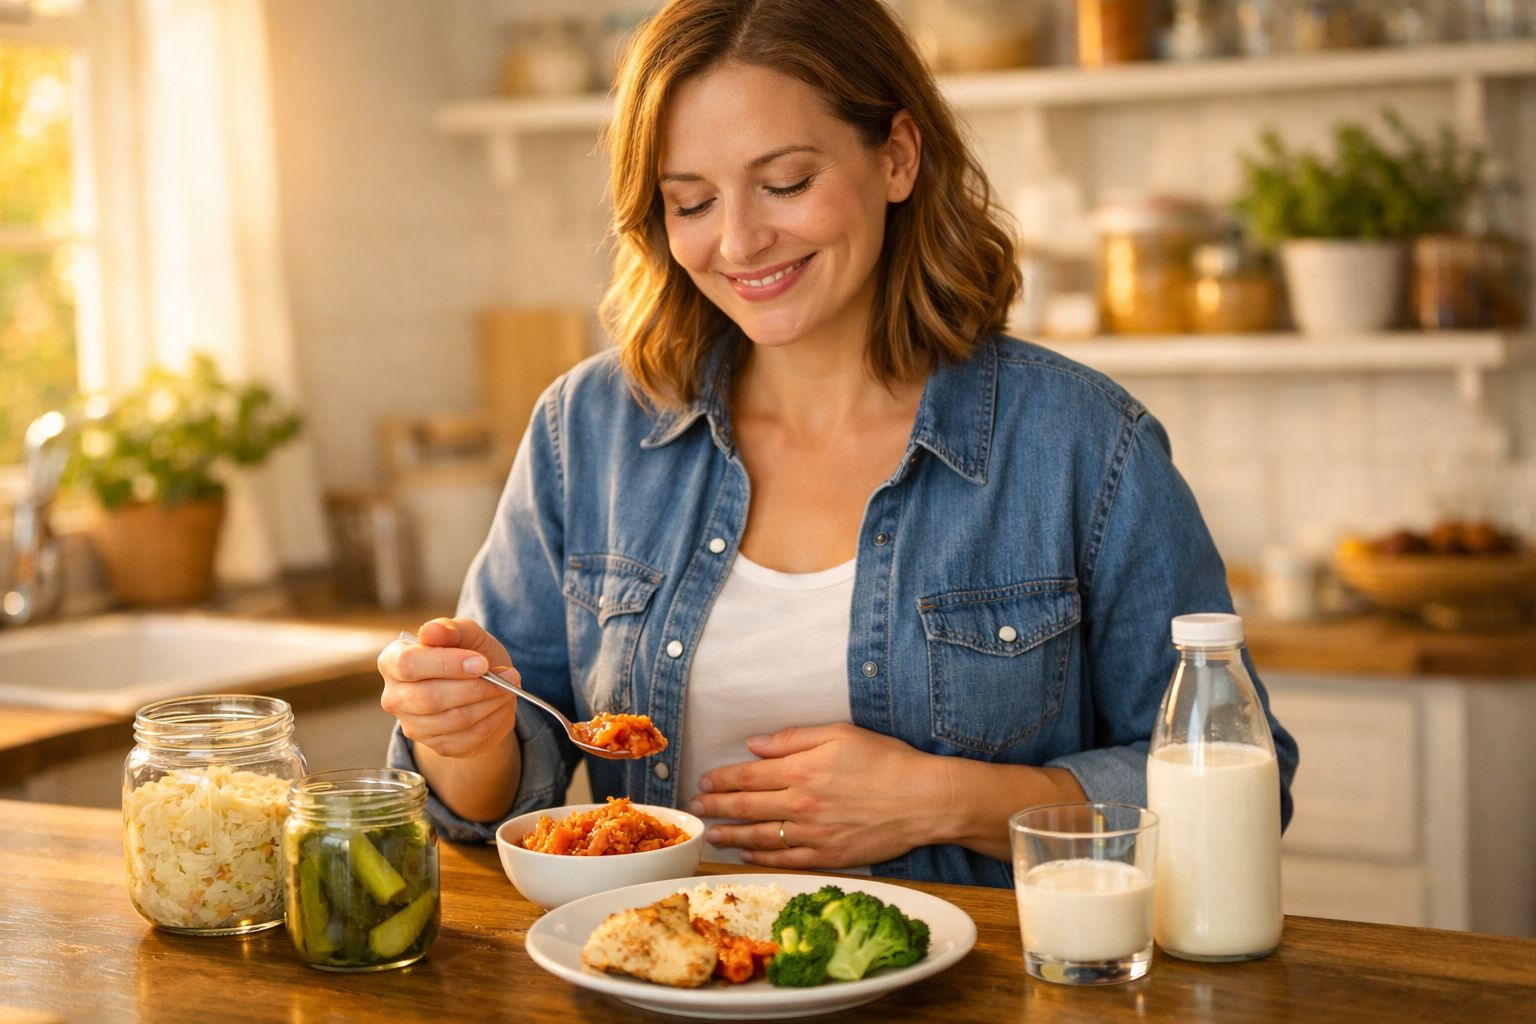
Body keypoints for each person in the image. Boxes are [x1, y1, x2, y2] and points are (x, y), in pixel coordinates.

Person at [380, 0, 1297, 888]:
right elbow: (487, 807)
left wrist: (941, 801)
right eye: (690, 201)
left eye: (785, 183)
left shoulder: (1081, 443)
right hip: (658, 963)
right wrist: (464, 734)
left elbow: (1238, 783)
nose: (740, 240)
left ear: (896, 156)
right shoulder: (587, 431)